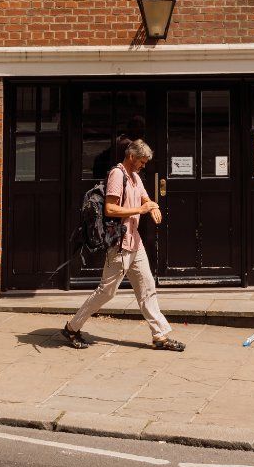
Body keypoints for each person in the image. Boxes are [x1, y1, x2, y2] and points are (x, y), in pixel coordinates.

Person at [63, 139, 184, 351]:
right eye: (142, 161)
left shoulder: (135, 177)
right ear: (131, 157)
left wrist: (152, 206)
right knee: (106, 292)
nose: (143, 165)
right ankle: (72, 327)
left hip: (134, 242)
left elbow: (145, 199)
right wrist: (141, 210)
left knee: (147, 287)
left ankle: (160, 336)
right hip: (118, 243)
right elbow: (110, 209)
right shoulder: (117, 175)